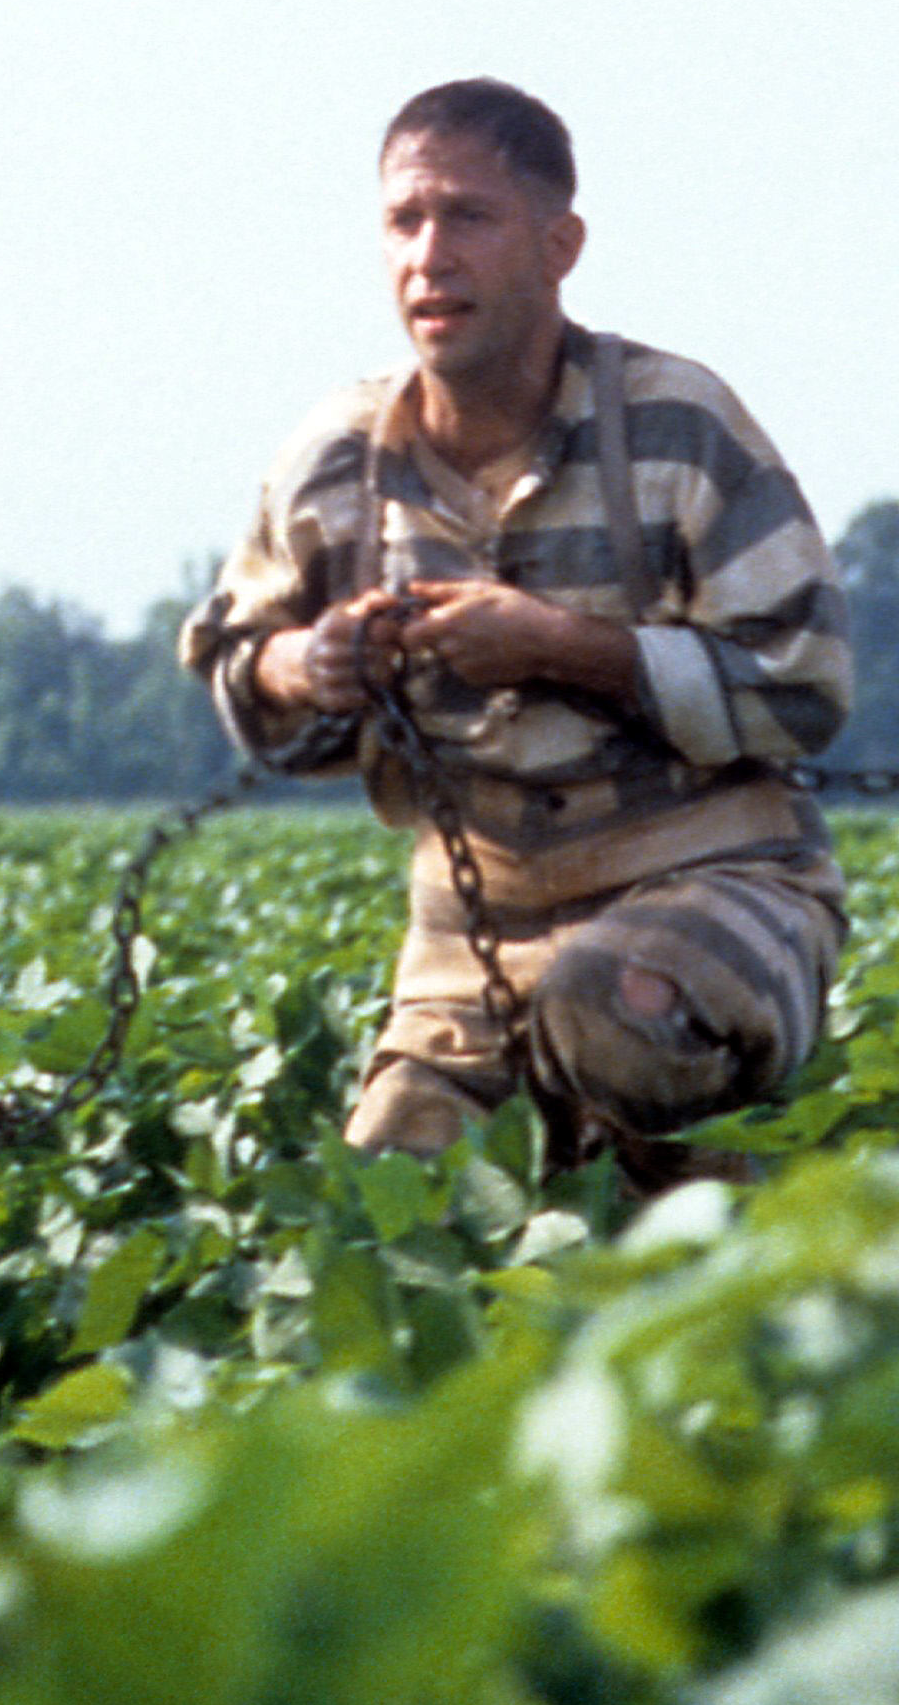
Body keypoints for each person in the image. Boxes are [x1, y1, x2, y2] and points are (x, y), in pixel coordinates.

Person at [181, 80, 852, 1177]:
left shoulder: (678, 426)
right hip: (468, 932)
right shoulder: (337, 458)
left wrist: (557, 648)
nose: (430, 256)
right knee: (383, 1206)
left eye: (468, 217)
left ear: (558, 246)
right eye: (405, 221)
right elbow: (236, 658)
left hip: (711, 885)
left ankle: (757, 1263)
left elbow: (808, 684)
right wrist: (314, 665)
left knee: (617, 1012)